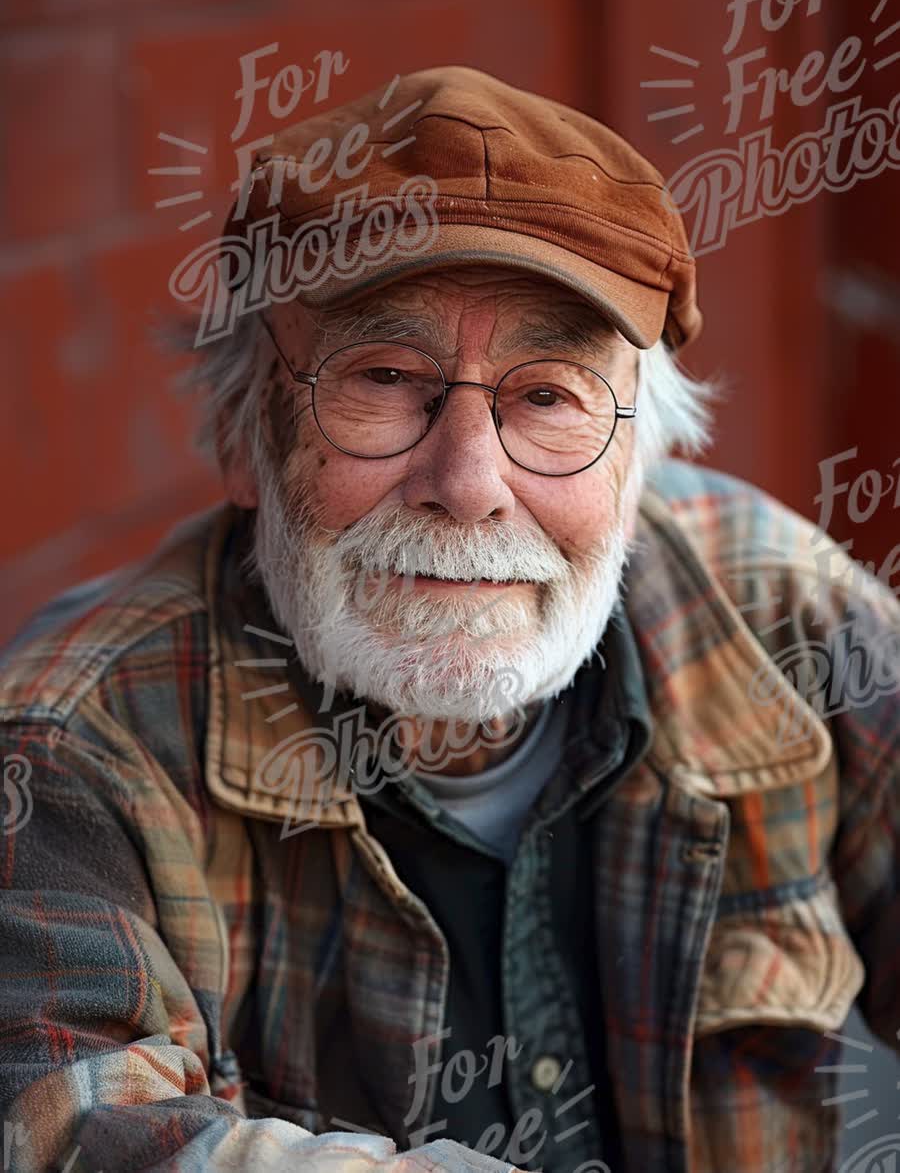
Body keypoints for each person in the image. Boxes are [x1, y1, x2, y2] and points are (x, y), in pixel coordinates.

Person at [1, 66, 897, 1173]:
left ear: (642, 460)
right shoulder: (70, 747)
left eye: (549, 395)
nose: (468, 480)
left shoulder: (780, 611)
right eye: (383, 378)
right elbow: (65, 1133)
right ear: (244, 437)